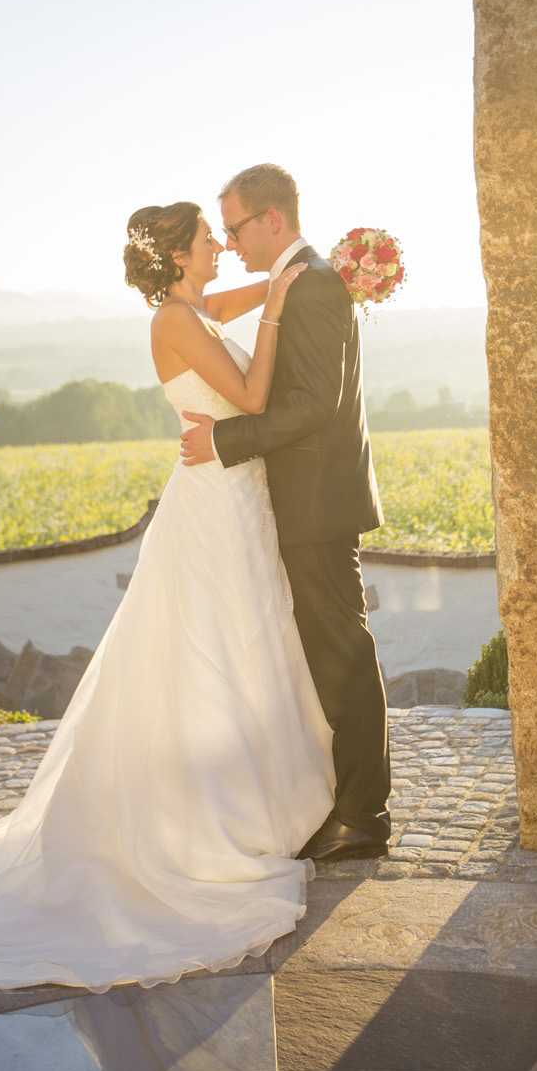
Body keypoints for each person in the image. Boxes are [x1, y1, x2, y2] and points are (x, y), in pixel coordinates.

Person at [0, 202, 334, 992]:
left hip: (231, 495)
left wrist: (309, 270)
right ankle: (213, 819)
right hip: (214, 505)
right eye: (207, 239)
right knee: (215, 646)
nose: (220, 246)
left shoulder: (192, 306)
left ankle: (258, 795)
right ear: (180, 257)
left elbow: (251, 291)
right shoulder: (174, 320)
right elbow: (255, 398)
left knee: (247, 639)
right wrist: (278, 315)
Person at [180, 163, 390, 863]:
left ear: (272, 219)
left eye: (235, 227)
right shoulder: (297, 279)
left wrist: (222, 440)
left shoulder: (315, 286)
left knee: (342, 659)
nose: (231, 242)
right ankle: (340, 803)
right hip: (305, 501)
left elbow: (311, 405)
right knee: (323, 658)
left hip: (318, 504)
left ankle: (364, 817)